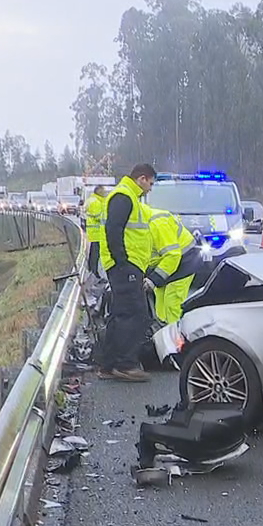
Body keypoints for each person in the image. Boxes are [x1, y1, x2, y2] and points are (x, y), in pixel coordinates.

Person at [99, 164, 158, 382]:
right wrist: (122, 263)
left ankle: (108, 364)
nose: (150, 189)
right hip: (126, 266)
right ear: (141, 179)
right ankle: (126, 364)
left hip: (127, 266)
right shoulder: (124, 197)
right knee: (136, 314)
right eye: (150, 183)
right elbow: (113, 230)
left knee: (120, 314)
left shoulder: (128, 197)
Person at [142, 204, 200, 325]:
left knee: (172, 302)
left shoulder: (157, 223)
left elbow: (173, 255)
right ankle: (162, 330)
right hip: (166, 263)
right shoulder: (140, 223)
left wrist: (153, 279)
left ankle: (176, 336)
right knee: (160, 304)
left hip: (185, 261)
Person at [83, 185, 108, 278]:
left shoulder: (94, 200)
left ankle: (92, 270)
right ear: (99, 191)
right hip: (96, 232)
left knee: (94, 252)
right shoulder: (96, 202)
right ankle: (93, 271)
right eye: (103, 191)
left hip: (94, 231)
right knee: (95, 253)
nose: (105, 193)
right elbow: (98, 216)